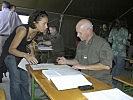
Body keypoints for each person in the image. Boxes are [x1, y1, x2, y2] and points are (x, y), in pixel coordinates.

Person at [0, 10, 48, 100]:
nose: (46, 27)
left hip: (21, 53)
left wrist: (32, 53)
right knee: (16, 81)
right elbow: (11, 49)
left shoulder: (36, 31)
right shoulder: (23, 30)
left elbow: (28, 43)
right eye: (44, 23)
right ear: (35, 23)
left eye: (47, 24)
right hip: (10, 53)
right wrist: (27, 56)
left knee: (25, 80)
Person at [57, 19, 113, 85]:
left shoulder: (102, 44)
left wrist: (84, 67)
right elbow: (78, 61)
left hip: (100, 80)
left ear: (89, 31)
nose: (77, 35)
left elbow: (106, 66)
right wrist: (66, 61)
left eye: (80, 33)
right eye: (77, 32)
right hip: (84, 78)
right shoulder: (81, 44)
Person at [0, 1, 22, 83]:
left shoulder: (0, 14)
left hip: (1, 37)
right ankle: (13, 75)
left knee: (0, 57)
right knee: (10, 56)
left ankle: (0, 76)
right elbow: (20, 26)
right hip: (11, 38)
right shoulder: (14, 14)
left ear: (3, 6)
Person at [108, 19, 128, 87]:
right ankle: (113, 81)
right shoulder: (125, 30)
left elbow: (109, 40)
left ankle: (111, 78)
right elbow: (125, 42)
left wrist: (115, 41)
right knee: (119, 67)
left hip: (113, 51)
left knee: (116, 66)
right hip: (121, 52)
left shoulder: (113, 30)